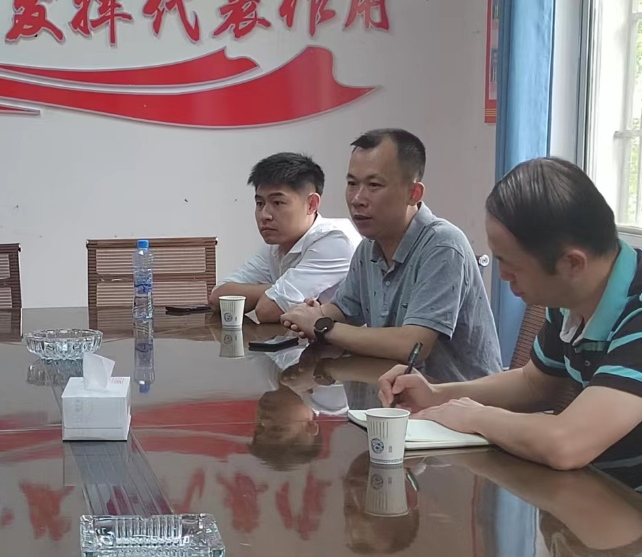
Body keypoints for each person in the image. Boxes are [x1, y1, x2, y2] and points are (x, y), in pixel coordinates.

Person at [380, 157, 642, 489]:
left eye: (511, 264)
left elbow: (567, 443)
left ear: (572, 264)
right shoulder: (569, 298)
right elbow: (535, 384)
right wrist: (436, 395)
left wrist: (474, 416)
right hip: (597, 492)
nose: (503, 276)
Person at [282, 130, 503, 382]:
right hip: (394, 392)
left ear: (414, 193)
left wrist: (323, 327)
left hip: (458, 399)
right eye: (352, 183)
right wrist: (311, 315)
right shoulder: (368, 247)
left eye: (374, 185)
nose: (357, 199)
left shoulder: (443, 245)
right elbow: (344, 309)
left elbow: (413, 345)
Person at [210, 152, 359, 323]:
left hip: (348, 339)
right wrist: (276, 289)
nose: (265, 215)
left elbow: (267, 311)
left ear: (311, 204)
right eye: (260, 203)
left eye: (278, 203)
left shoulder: (335, 239)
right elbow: (218, 297)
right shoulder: (276, 246)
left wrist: (273, 295)